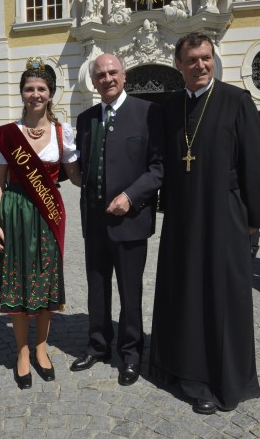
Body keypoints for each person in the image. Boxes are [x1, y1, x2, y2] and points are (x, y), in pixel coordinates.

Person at [150, 32, 260, 414]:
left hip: (224, 216)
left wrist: (254, 219)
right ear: (178, 65)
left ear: (213, 60)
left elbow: (253, 163)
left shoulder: (236, 101)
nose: (200, 65)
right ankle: (185, 370)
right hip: (181, 218)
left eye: (205, 58)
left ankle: (224, 378)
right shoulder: (170, 107)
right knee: (185, 292)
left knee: (222, 296)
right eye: (192, 59)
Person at [0, 57, 81, 390]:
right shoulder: (7, 135)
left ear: (51, 94)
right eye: (29, 88)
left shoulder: (62, 132)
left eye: (41, 88)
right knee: (17, 283)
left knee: (46, 283)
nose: (35, 94)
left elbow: (77, 177)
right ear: (22, 93)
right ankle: (22, 352)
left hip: (48, 214)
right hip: (14, 213)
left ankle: (41, 348)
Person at [71, 53, 164, 386]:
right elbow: (77, 169)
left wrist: (130, 196)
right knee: (97, 289)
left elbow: (158, 168)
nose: (107, 78)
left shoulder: (148, 113)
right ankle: (98, 345)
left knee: (130, 291)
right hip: (94, 221)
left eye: (112, 72)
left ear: (124, 76)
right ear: (93, 82)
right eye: (100, 75)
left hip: (131, 220)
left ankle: (131, 353)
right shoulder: (85, 119)